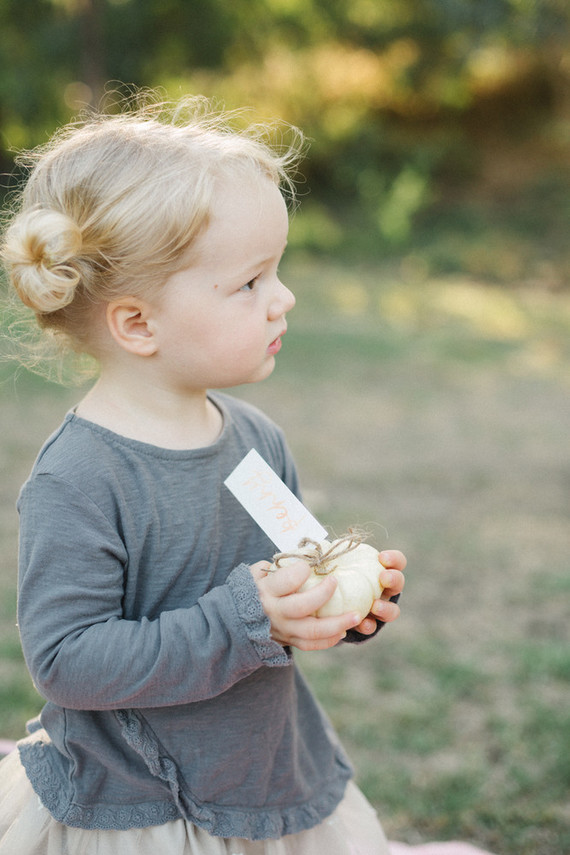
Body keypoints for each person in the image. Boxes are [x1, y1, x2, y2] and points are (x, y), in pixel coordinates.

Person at [0, 94, 406, 855]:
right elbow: (66, 661)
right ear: (138, 324)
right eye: (250, 283)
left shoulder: (255, 441)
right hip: (139, 805)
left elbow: (291, 576)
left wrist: (339, 604)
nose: (282, 299)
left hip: (263, 777)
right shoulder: (80, 477)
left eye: (276, 273)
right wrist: (244, 621)